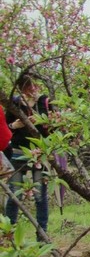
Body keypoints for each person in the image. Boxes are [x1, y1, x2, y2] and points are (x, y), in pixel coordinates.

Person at [5, 74, 50, 239]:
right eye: (27, 87)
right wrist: (14, 125)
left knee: (40, 196)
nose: (31, 90)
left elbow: (52, 127)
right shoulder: (14, 103)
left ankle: (42, 237)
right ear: (21, 88)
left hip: (40, 153)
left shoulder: (44, 101)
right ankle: (8, 234)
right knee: (14, 193)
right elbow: (5, 127)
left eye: (33, 86)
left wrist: (40, 120)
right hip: (18, 152)